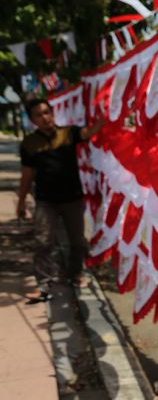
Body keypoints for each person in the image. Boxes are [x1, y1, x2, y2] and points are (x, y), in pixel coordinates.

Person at [17, 98, 104, 303]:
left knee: (77, 241)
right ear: (32, 120)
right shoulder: (29, 143)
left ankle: (75, 275)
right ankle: (44, 285)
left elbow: (89, 133)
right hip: (45, 201)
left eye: (47, 112)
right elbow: (27, 174)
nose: (45, 117)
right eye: (39, 115)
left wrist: (105, 114)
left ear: (52, 113)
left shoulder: (68, 133)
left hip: (72, 198)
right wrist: (21, 201)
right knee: (42, 242)